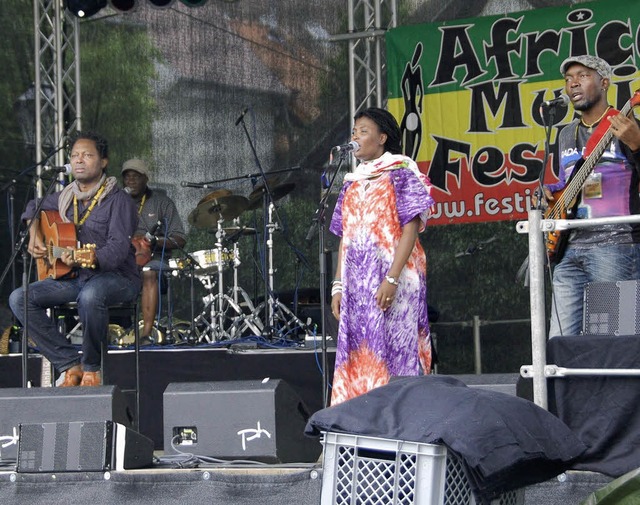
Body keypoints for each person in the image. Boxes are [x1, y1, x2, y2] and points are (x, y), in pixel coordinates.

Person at [9, 132, 140, 386]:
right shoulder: (64, 196)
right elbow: (33, 206)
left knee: (91, 295)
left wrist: (80, 258)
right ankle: (70, 364)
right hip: (74, 278)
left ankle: (92, 368)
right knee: (19, 298)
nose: (79, 160)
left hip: (118, 278)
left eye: (87, 155)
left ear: (103, 162)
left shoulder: (118, 200)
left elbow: (115, 252)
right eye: (74, 156)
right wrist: (34, 232)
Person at [329, 107, 435, 405]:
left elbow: (411, 225)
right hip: (358, 287)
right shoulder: (352, 181)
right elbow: (346, 237)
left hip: (394, 282)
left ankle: (403, 424)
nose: (356, 136)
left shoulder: (400, 172)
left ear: (382, 138)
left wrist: (391, 278)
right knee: (360, 358)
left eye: (363, 131)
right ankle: (359, 424)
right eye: (354, 131)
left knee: (396, 353)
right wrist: (339, 285)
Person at [542, 55, 640, 337]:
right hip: (570, 248)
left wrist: (637, 144)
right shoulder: (565, 134)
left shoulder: (628, 126)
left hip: (617, 246)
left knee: (615, 339)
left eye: (583, 75)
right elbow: (567, 184)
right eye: (569, 78)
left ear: (605, 82)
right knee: (560, 341)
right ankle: (565, 384)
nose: (573, 83)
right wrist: (552, 197)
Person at [122, 158, 186, 341]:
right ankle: (109, 332)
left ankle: (146, 334)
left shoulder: (162, 203)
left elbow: (180, 238)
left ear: (146, 178)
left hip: (153, 257)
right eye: (127, 177)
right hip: (122, 255)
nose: (131, 181)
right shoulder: (116, 201)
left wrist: (155, 241)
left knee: (149, 272)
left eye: (136, 176)